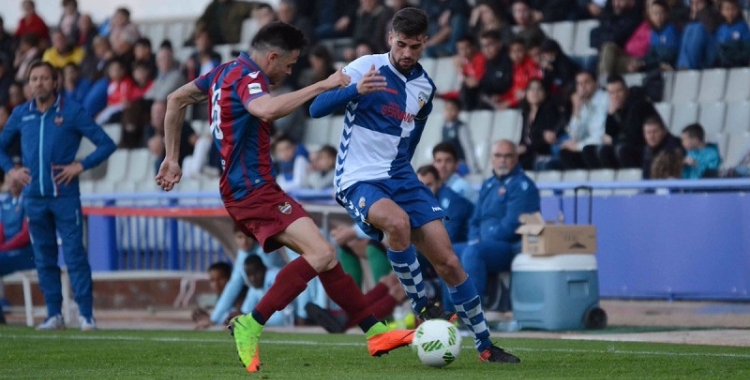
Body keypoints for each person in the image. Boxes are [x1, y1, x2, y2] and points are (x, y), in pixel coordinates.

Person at [155, 21, 414, 373]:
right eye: (289, 65)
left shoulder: (224, 71)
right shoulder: (251, 77)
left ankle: (375, 332)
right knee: (322, 252)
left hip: (251, 188)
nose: (289, 72)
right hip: (252, 190)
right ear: (272, 57)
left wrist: (172, 157)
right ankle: (252, 322)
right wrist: (324, 83)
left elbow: (175, 99)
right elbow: (266, 110)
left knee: (326, 258)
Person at [309, 8, 521, 364]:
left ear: (425, 42)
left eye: (415, 46)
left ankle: (485, 346)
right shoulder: (364, 67)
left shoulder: (424, 87)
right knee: (397, 223)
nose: (407, 52)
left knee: (450, 262)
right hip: (358, 177)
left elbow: (415, 131)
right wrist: (353, 90)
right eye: (401, 44)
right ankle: (423, 305)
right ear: (390, 37)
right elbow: (316, 108)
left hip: (400, 175)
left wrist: (403, 166)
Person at [0, 60, 117, 331]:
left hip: (65, 197)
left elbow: (107, 144)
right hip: (34, 198)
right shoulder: (21, 114)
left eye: (43, 78)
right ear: (28, 84)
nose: (38, 83)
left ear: (55, 83)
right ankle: (54, 314)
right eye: (34, 79)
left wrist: (81, 165)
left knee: (75, 255)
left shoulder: (72, 112)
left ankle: (86, 315)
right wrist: (11, 171)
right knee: (43, 257)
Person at [449, 140, 539, 310]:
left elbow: (512, 225)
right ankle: (450, 315)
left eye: (508, 156)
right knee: (448, 253)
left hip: (509, 247)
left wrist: (482, 241)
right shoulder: (488, 184)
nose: (502, 160)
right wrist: (475, 238)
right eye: (498, 156)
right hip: (483, 243)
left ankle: (473, 316)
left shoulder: (523, 185)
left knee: (473, 253)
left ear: (516, 158)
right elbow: (475, 220)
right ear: (491, 159)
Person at [595, 74, 656, 169]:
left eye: (618, 91)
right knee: (603, 150)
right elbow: (609, 133)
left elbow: (633, 136)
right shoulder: (616, 108)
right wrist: (611, 114)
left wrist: (613, 141)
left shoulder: (638, 104)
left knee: (622, 150)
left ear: (626, 90)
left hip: (646, 148)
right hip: (628, 145)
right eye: (611, 93)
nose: (615, 96)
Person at [0, 174, 36, 324]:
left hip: (26, 253)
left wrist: (4, 248)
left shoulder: (28, 201)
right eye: (10, 177)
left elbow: (26, 234)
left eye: (16, 177)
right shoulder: (5, 202)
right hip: (7, 253)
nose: (13, 181)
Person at [440, 99, 479, 174]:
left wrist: (474, 167)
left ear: (458, 111)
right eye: (447, 109)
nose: (449, 112)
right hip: (448, 162)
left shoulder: (461, 127)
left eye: (452, 109)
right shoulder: (444, 127)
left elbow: (468, 148)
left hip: (460, 163)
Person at [642, 115, 684, 179]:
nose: (651, 136)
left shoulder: (675, 146)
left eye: (655, 132)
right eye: (648, 132)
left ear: (664, 132)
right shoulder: (647, 149)